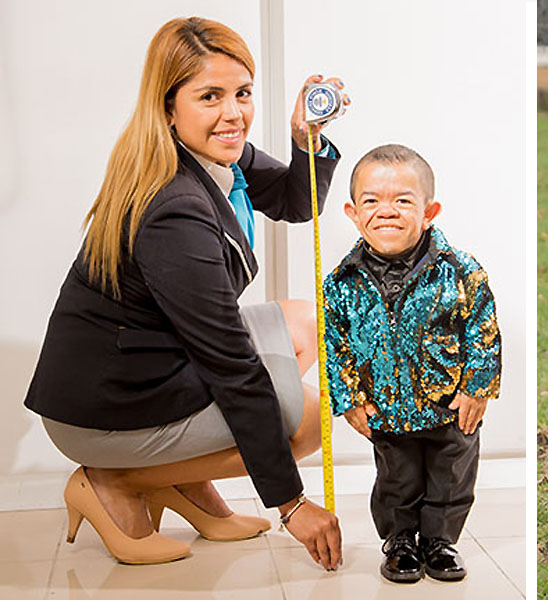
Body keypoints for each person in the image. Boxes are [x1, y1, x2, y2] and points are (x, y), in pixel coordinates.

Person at [23, 17, 348, 570]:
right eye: (210, 97)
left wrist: (304, 142)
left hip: (151, 359)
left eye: (242, 93)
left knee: (309, 320)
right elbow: (229, 364)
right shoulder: (173, 207)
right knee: (308, 417)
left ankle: (188, 482)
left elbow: (297, 204)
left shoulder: (213, 152)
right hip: (109, 404)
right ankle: (114, 481)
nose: (233, 113)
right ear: (169, 106)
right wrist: (291, 504)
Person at [322, 144, 501, 583]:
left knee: (451, 478)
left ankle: (440, 542)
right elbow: (334, 343)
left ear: (428, 211)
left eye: (403, 200)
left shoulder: (460, 271)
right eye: (372, 201)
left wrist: (478, 387)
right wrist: (348, 399)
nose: (387, 211)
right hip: (386, 406)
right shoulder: (341, 283)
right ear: (351, 212)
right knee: (396, 481)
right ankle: (400, 541)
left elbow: (483, 327)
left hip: (450, 406)